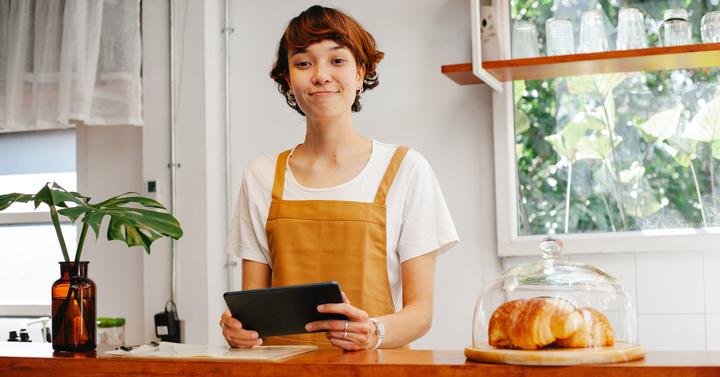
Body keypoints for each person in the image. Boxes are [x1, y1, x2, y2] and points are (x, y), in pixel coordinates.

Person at [219, 5, 458, 351]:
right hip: (282, 373)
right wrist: (238, 329)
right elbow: (253, 307)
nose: (320, 75)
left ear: (361, 73)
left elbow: (421, 313)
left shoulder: (407, 169)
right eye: (303, 63)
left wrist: (374, 331)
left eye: (337, 60)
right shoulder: (261, 176)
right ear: (288, 78)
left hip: (376, 371)